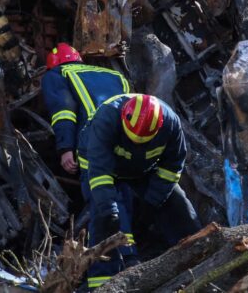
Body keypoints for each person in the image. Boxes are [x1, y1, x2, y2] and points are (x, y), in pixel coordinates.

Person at [80, 93, 201, 289]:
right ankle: (104, 282)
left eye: (143, 140)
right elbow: (100, 172)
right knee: (104, 216)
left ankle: (199, 253)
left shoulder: (171, 124)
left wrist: (152, 202)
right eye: (133, 138)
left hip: (143, 168)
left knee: (179, 205)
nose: (137, 143)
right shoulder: (106, 118)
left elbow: (171, 169)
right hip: (100, 168)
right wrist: (109, 209)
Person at [40, 42, 130, 174]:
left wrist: (65, 149)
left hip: (94, 139)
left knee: (98, 188)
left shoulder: (56, 74)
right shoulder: (114, 75)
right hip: (127, 138)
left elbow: (64, 112)